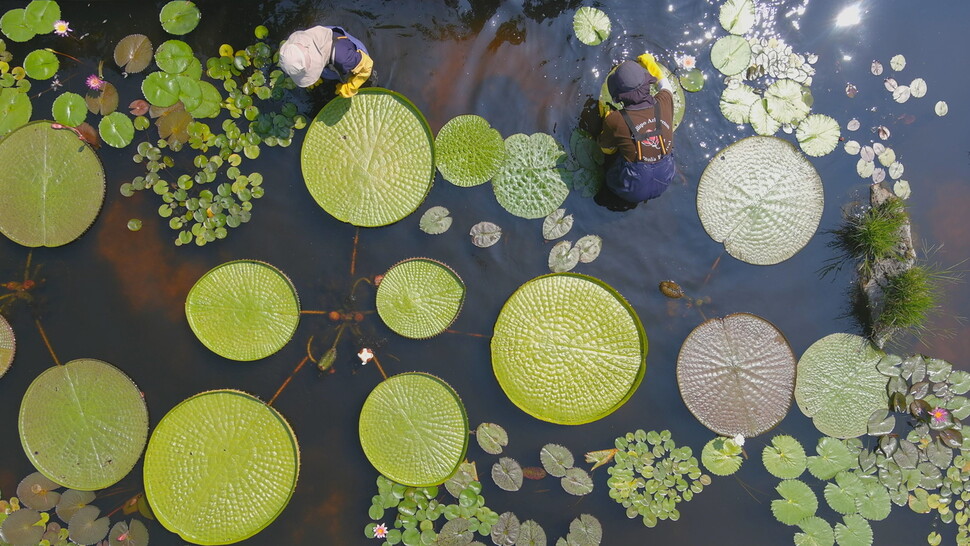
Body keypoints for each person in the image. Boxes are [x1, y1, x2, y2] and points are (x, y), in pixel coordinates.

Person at [597, 53, 675, 204]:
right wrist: (651, 64)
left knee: (609, 175)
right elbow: (666, 87)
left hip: (632, 190)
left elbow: (606, 149)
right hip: (666, 179)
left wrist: (606, 119)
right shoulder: (664, 102)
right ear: (647, 83)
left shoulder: (616, 120)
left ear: (618, 95)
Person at [278, 25, 374, 98]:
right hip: (329, 39)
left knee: (351, 71)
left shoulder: (343, 59)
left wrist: (350, 87)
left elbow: (367, 66)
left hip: (348, 53)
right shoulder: (299, 44)